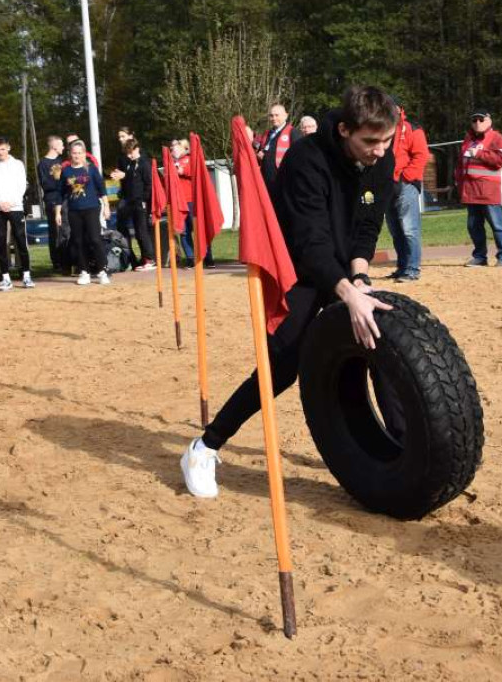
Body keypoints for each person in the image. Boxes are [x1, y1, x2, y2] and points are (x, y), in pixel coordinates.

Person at [181, 86, 399, 498]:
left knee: (376, 333)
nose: (380, 151)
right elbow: (309, 241)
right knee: (282, 365)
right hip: (296, 266)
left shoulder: (380, 156)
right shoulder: (306, 160)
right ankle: (205, 447)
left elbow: (367, 224)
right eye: (370, 142)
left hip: (341, 261)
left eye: (386, 141)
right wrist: (345, 292)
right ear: (344, 130)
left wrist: (359, 278)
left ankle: (402, 447)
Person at [456, 108, 502, 267]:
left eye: (481, 119)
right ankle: (480, 257)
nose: (477, 123)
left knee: (497, 225)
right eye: (474, 120)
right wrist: (459, 183)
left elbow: (499, 161)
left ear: (489, 121)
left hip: (488, 191)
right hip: (471, 191)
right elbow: (461, 165)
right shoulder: (468, 140)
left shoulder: (497, 138)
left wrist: (478, 154)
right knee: (474, 227)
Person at [385, 103, 431, 282]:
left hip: (406, 184)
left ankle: (412, 269)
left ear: (400, 109)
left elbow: (421, 155)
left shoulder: (413, 128)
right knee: (395, 230)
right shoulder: (382, 128)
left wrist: (405, 177)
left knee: (409, 229)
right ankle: (402, 266)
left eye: (391, 106)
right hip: (387, 185)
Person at [56, 140, 110, 285]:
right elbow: (60, 194)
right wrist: (58, 212)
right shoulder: (66, 171)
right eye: (74, 153)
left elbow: (101, 188)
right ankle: (84, 271)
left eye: (80, 153)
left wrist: (106, 206)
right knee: (78, 241)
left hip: (92, 208)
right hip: (74, 210)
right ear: (70, 154)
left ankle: (102, 271)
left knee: (94, 239)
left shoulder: (91, 169)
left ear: (84, 153)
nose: (77, 156)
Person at [0, 136, 34, 291]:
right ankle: (5, 278)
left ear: (9, 148)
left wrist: (11, 202)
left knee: (20, 240)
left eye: (3, 149)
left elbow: (22, 185)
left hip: (16, 206)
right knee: (0, 242)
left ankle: (26, 275)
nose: (0, 152)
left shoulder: (17, 164)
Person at [110, 137, 156, 270]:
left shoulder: (144, 163)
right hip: (130, 201)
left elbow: (148, 184)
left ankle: (150, 259)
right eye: (127, 153)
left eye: (131, 153)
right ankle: (142, 258)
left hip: (140, 202)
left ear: (137, 149)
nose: (129, 156)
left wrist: (144, 200)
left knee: (142, 231)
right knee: (136, 231)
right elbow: (129, 179)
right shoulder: (130, 163)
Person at [172, 138, 215, 269]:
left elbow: (192, 172)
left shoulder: (190, 159)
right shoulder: (173, 162)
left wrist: (180, 170)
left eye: (175, 147)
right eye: (172, 147)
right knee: (184, 231)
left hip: (191, 200)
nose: (172, 149)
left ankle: (208, 257)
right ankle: (190, 258)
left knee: (199, 229)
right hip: (179, 201)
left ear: (184, 148)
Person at [256, 103, 303, 193]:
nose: (274, 118)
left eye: (277, 115)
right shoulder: (267, 133)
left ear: (286, 116)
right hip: (266, 181)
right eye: (271, 116)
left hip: (284, 180)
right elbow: (262, 150)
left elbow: (299, 157)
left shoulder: (293, 133)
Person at [38, 135, 66, 272]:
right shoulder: (43, 163)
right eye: (61, 145)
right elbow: (46, 184)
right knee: (55, 231)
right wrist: (58, 180)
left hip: (64, 200)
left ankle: (67, 259)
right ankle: (57, 262)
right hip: (52, 201)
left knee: (65, 230)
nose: (63, 148)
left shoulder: (63, 161)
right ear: (54, 146)